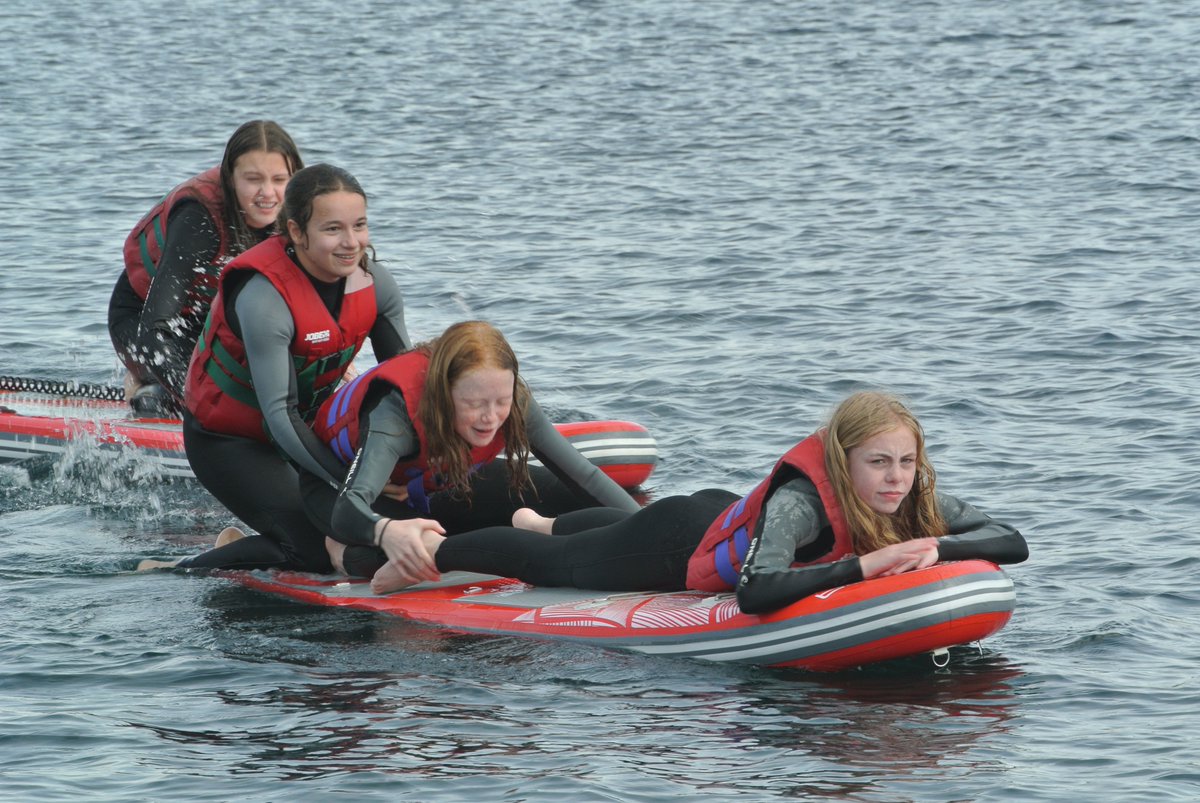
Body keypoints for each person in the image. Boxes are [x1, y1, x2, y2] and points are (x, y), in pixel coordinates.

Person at [384, 391, 1028, 614]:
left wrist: (936, 546)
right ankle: (432, 547)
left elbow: (1011, 540)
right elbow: (757, 590)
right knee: (560, 564)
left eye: (906, 463)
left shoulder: (913, 500)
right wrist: (868, 567)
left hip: (716, 512)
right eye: (879, 463)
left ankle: (543, 517)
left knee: (585, 535)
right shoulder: (804, 503)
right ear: (843, 462)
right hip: (679, 545)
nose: (896, 478)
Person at [137, 163, 411, 573]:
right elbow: (278, 413)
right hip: (229, 442)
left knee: (389, 521)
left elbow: (404, 385)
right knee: (315, 553)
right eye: (333, 229)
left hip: (306, 433)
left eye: (360, 226)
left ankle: (258, 534)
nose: (351, 243)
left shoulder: (377, 285)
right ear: (296, 232)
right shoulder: (263, 295)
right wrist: (352, 478)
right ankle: (178, 567)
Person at [303, 320, 640, 591]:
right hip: (343, 496)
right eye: (474, 404)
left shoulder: (512, 399)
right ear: (443, 393)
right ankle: (340, 552)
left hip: (431, 487)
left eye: (500, 402)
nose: (490, 417)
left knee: (566, 495)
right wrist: (386, 532)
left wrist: (643, 529)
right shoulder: (396, 415)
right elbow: (349, 509)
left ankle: (533, 525)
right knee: (415, 551)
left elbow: (584, 476)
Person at [109, 120, 304, 415]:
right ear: (230, 178)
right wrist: (197, 400)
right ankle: (153, 394)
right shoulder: (198, 219)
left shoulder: (297, 212)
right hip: (144, 323)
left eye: (279, 180)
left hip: (208, 322)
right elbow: (154, 328)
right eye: (253, 179)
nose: (268, 193)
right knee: (218, 396)